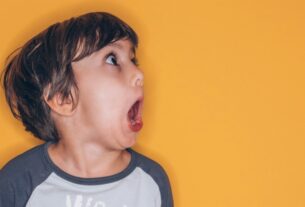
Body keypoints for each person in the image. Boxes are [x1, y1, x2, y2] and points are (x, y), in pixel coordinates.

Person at [0, 11, 173, 207]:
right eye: (112, 60)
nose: (139, 74)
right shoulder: (17, 183)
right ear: (63, 98)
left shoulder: (151, 182)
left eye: (133, 61)